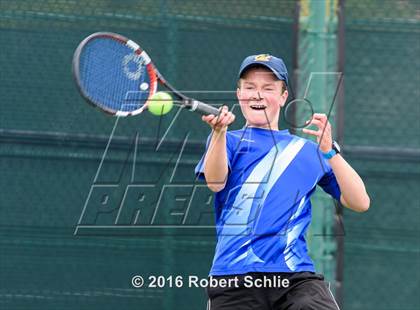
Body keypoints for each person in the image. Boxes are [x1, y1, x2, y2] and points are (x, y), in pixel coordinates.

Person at [195, 54, 370, 310]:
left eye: (268, 88)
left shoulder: (307, 151)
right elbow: (215, 182)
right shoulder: (227, 141)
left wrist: (330, 152)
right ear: (239, 94)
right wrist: (219, 133)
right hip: (234, 277)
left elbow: (360, 201)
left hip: (295, 280)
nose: (258, 95)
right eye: (250, 87)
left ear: (283, 96)